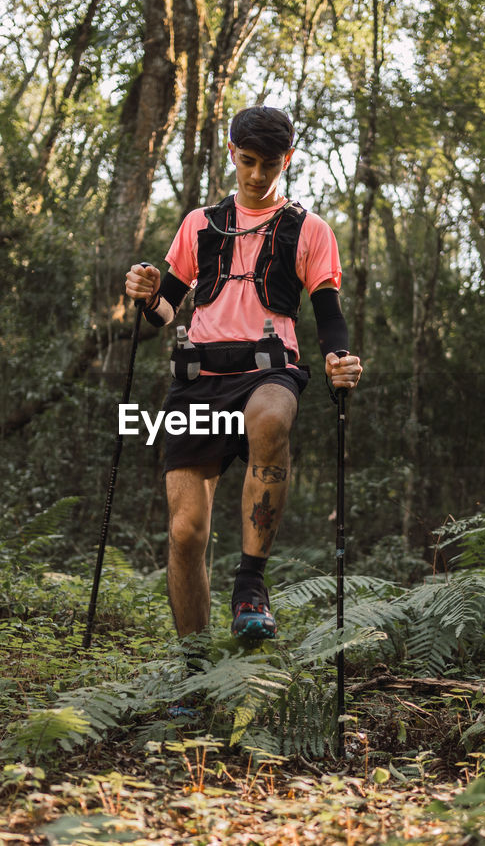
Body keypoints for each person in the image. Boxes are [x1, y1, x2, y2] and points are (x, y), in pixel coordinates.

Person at [125, 106, 363, 642]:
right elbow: (164, 312)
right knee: (185, 533)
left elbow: (328, 314)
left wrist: (338, 359)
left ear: (288, 161)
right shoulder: (198, 225)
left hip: (268, 370)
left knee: (273, 417)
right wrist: (144, 294)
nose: (257, 175)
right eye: (248, 161)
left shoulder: (309, 229)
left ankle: (250, 585)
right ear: (231, 151)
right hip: (197, 380)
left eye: (270, 165)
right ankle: (193, 669)